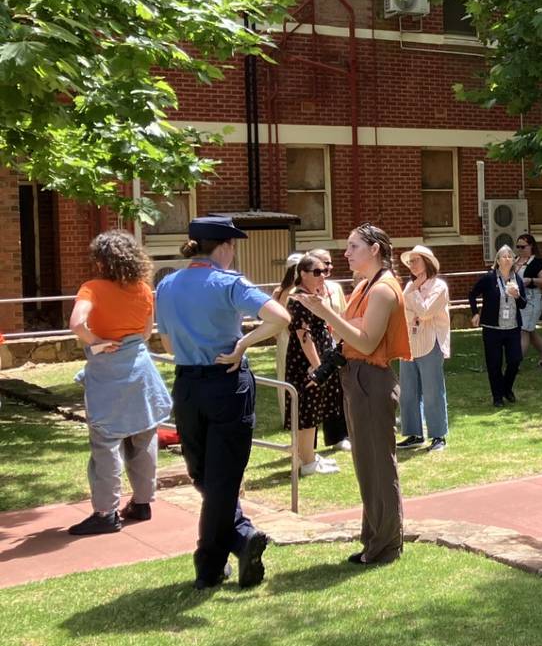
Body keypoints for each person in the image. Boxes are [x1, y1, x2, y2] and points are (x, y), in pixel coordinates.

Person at [155, 215, 290, 589]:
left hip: (187, 386)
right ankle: (235, 541)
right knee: (222, 477)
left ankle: (216, 560)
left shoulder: (166, 285)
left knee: (204, 474)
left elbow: (166, 343)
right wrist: (242, 344)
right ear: (225, 247)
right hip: (227, 383)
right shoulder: (228, 282)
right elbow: (280, 317)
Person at [295, 222, 411, 565]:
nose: (345, 253)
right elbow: (349, 339)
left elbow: (366, 341)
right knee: (366, 466)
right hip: (357, 378)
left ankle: (385, 546)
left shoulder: (383, 290)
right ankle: (375, 540)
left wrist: (324, 311)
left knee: (378, 467)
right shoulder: (366, 287)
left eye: (353, 246)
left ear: (374, 249)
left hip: (371, 380)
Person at [66, 231, 172, 535]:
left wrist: (96, 340)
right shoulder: (143, 288)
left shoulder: (92, 288)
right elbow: (144, 332)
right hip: (139, 368)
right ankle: (142, 502)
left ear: (102, 260)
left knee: (105, 441)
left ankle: (106, 512)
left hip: (108, 370)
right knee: (143, 435)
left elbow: (76, 324)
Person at [272, 253, 344, 478]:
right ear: (302, 274)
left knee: (312, 412)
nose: (322, 275)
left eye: (324, 271)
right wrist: (318, 368)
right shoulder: (298, 299)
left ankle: (308, 456)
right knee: (307, 413)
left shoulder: (310, 295)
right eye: (316, 272)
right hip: (306, 365)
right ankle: (308, 462)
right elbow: (305, 337)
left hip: (316, 362)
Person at [397, 244, 450, 452]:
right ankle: (414, 434)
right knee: (408, 390)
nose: (411, 265)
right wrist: (414, 304)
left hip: (431, 342)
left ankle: (438, 436)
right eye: (409, 261)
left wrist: (415, 304)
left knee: (432, 391)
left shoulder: (439, 286)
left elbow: (426, 312)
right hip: (409, 342)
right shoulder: (409, 287)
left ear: (427, 262)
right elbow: (402, 312)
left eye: (415, 260)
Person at [469, 245, 527, 408]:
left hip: (512, 328)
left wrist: (517, 296)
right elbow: (472, 294)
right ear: (497, 261)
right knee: (494, 364)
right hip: (492, 328)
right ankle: (497, 397)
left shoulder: (517, 279)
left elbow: (523, 305)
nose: (507, 259)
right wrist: (475, 313)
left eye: (510, 256)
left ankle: (506, 388)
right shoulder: (489, 278)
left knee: (515, 361)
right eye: (504, 256)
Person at [515, 233, 542, 368]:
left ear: (531, 246)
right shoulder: (515, 261)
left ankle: (516, 364)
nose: (520, 250)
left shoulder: (538, 262)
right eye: (518, 247)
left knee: (523, 330)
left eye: (523, 247)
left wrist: (531, 280)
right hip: (517, 299)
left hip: (532, 299)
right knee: (530, 330)